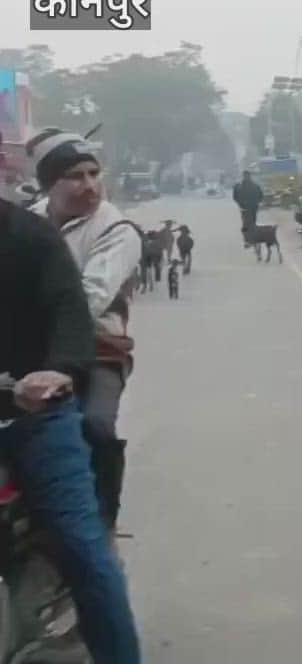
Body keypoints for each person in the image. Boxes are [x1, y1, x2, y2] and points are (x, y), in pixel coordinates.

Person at [0, 196, 142, 663]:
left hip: (32, 412)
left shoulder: (30, 237)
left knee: (83, 549)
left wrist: (56, 370)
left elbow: (71, 313)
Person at [27, 128, 143, 530]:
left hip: (98, 351)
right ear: (49, 184)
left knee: (95, 425)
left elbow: (89, 300)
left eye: (94, 173)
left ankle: (103, 520)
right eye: (75, 176)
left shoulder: (117, 230)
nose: (90, 185)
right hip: (30, 346)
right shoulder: (27, 221)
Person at [233, 170, 263, 246]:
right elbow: (261, 196)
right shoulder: (255, 185)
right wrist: (257, 203)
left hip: (245, 208)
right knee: (252, 222)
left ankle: (247, 240)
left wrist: (240, 204)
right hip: (253, 207)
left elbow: (235, 197)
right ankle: (253, 238)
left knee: (246, 224)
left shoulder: (238, 186)